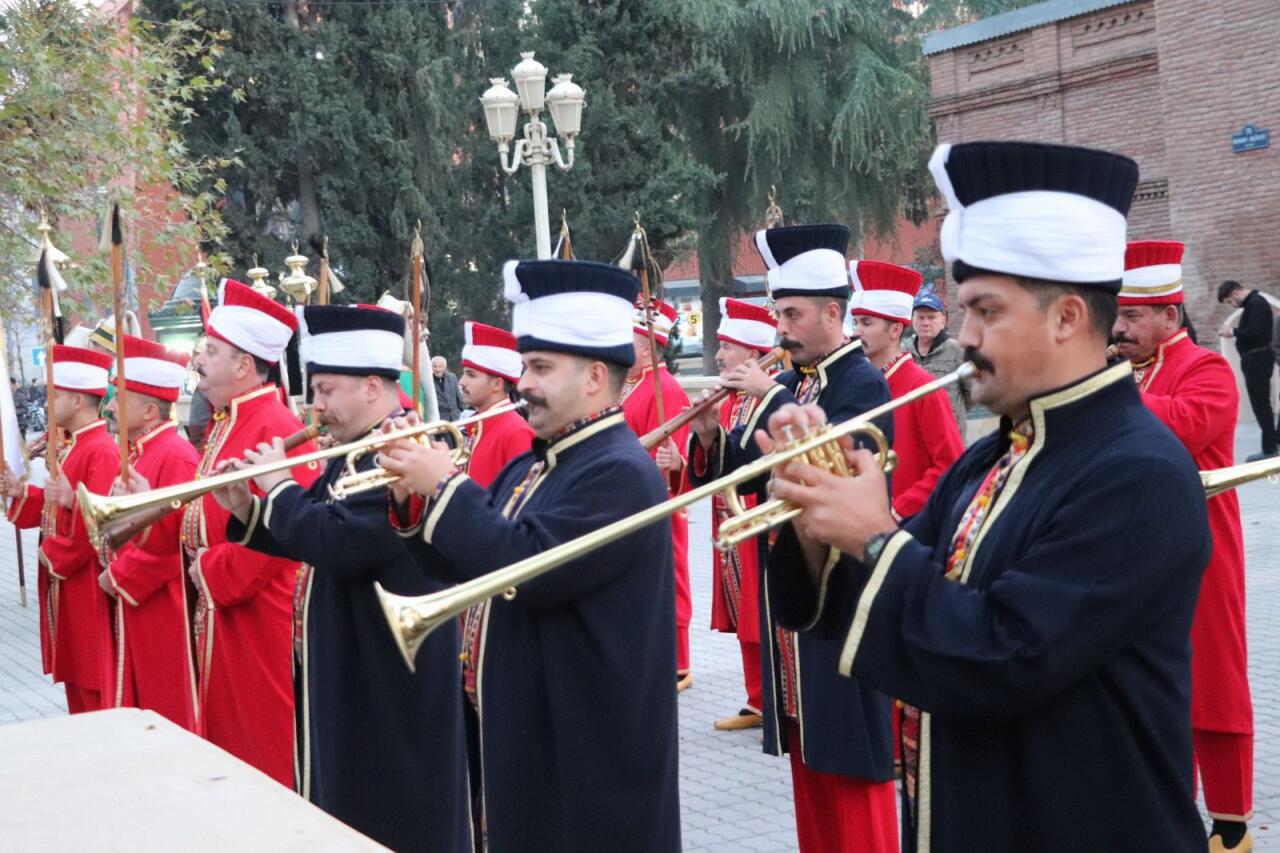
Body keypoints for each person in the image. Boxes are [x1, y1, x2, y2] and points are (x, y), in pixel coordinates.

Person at [763, 140, 1210, 852]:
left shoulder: (1139, 471)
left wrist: (875, 539)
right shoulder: (992, 457)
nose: (963, 335)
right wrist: (819, 516)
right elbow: (898, 599)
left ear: (1067, 316)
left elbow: (1005, 654)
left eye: (985, 310)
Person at [379, 258, 681, 852]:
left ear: (596, 377)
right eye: (525, 366)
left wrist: (445, 487)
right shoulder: (536, 461)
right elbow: (470, 560)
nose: (524, 382)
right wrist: (412, 502)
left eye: (540, 367)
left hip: (588, 749)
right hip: (537, 733)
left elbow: (528, 568)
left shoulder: (619, 471)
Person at [212, 304, 471, 852]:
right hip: (353, 660)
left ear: (373, 386)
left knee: (388, 813)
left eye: (327, 390)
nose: (317, 406)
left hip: (388, 674)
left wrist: (278, 486)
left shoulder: (400, 447)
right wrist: (248, 511)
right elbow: (313, 528)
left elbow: (340, 543)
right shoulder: (353, 450)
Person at [688, 224, 897, 853]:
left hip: (845, 594)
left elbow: (840, 464)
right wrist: (707, 436)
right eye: (779, 312)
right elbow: (749, 477)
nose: (780, 328)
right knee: (809, 759)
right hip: (798, 598)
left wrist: (772, 394)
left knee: (851, 764)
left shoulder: (861, 382)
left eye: (792, 314)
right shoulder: (804, 379)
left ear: (835, 312)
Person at [1114, 241, 1254, 853]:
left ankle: (1230, 825)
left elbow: (1187, 425)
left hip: (1201, 554)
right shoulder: (1124, 373)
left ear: (1171, 316)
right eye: (1117, 316)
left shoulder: (1207, 367)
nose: (1119, 329)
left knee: (1214, 685)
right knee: (1144, 689)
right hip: (1129, 557)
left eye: (1134, 316)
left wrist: (1105, 395)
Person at [184, 278, 319, 786]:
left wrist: (210, 570)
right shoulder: (227, 421)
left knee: (261, 749)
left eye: (211, 351)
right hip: (224, 614)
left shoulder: (276, 426)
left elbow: (285, 538)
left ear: (244, 365)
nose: (200, 359)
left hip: (260, 618)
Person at [2, 345, 118, 712]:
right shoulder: (75, 446)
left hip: (86, 582)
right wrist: (25, 494)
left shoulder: (100, 450)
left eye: (56, 395)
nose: (49, 402)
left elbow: (101, 524)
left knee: (93, 683)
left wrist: (51, 554)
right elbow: (58, 506)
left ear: (79, 401)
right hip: (71, 584)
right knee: (77, 681)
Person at [455, 318, 535, 842]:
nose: (461, 382)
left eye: (470, 374)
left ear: (499, 382)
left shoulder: (512, 432)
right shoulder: (475, 427)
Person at [98, 335, 199, 729]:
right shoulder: (139, 450)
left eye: (118, 399)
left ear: (150, 411)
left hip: (163, 600)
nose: (108, 407)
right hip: (137, 596)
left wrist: (119, 576)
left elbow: (176, 537)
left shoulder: (175, 454)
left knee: (165, 701)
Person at [688, 297, 778, 730]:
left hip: (762, 516)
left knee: (760, 611)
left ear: (755, 355)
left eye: (728, 345)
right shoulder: (733, 399)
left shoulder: (773, 396)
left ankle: (771, 695)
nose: (719, 354)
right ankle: (757, 696)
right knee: (744, 612)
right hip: (733, 515)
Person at [850, 260, 964, 521]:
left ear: (895, 329)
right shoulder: (863, 386)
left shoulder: (922, 387)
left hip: (911, 526)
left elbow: (950, 464)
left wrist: (897, 510)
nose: (857, 332)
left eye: (866, 323)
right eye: (856, 322)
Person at [620, 297, 694, 691]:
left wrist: (674, 461)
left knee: (672, 574)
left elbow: (676, 451)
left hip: (658, 498)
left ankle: (680, 660)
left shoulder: (665, 389)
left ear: (647, 345)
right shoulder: (631, 385)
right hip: (630, 499)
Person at [1217, 280, 1276, 461]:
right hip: (1255, 360)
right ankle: (1273, 443)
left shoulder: (1256, 303)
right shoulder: (1253, 304)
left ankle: (1269, 449)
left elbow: (1255, 332)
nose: (1231, 305)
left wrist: (1232, 332)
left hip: (1257, 360)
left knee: (1261, 405)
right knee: (1261, 404)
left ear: (1235, 293)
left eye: (1229, 302)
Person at [908, 284, 969, 437]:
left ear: (943, 320)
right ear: (913, 320)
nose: (926, 323)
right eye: (921, 317)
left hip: (949, 434)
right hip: (916, 434)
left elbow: (971, 394)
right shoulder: (905, 353)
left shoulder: (957, 350)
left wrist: (952, 414)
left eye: (931, 317)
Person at [432, 355, 464, 421]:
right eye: (435, 366)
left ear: (445, 367)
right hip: (439, 420)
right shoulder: (428, 380)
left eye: (440, 366)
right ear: (431, 367)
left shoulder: (452, 377)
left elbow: (458, 396)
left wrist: (464, 411)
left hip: (455, 418)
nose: (437, 369)